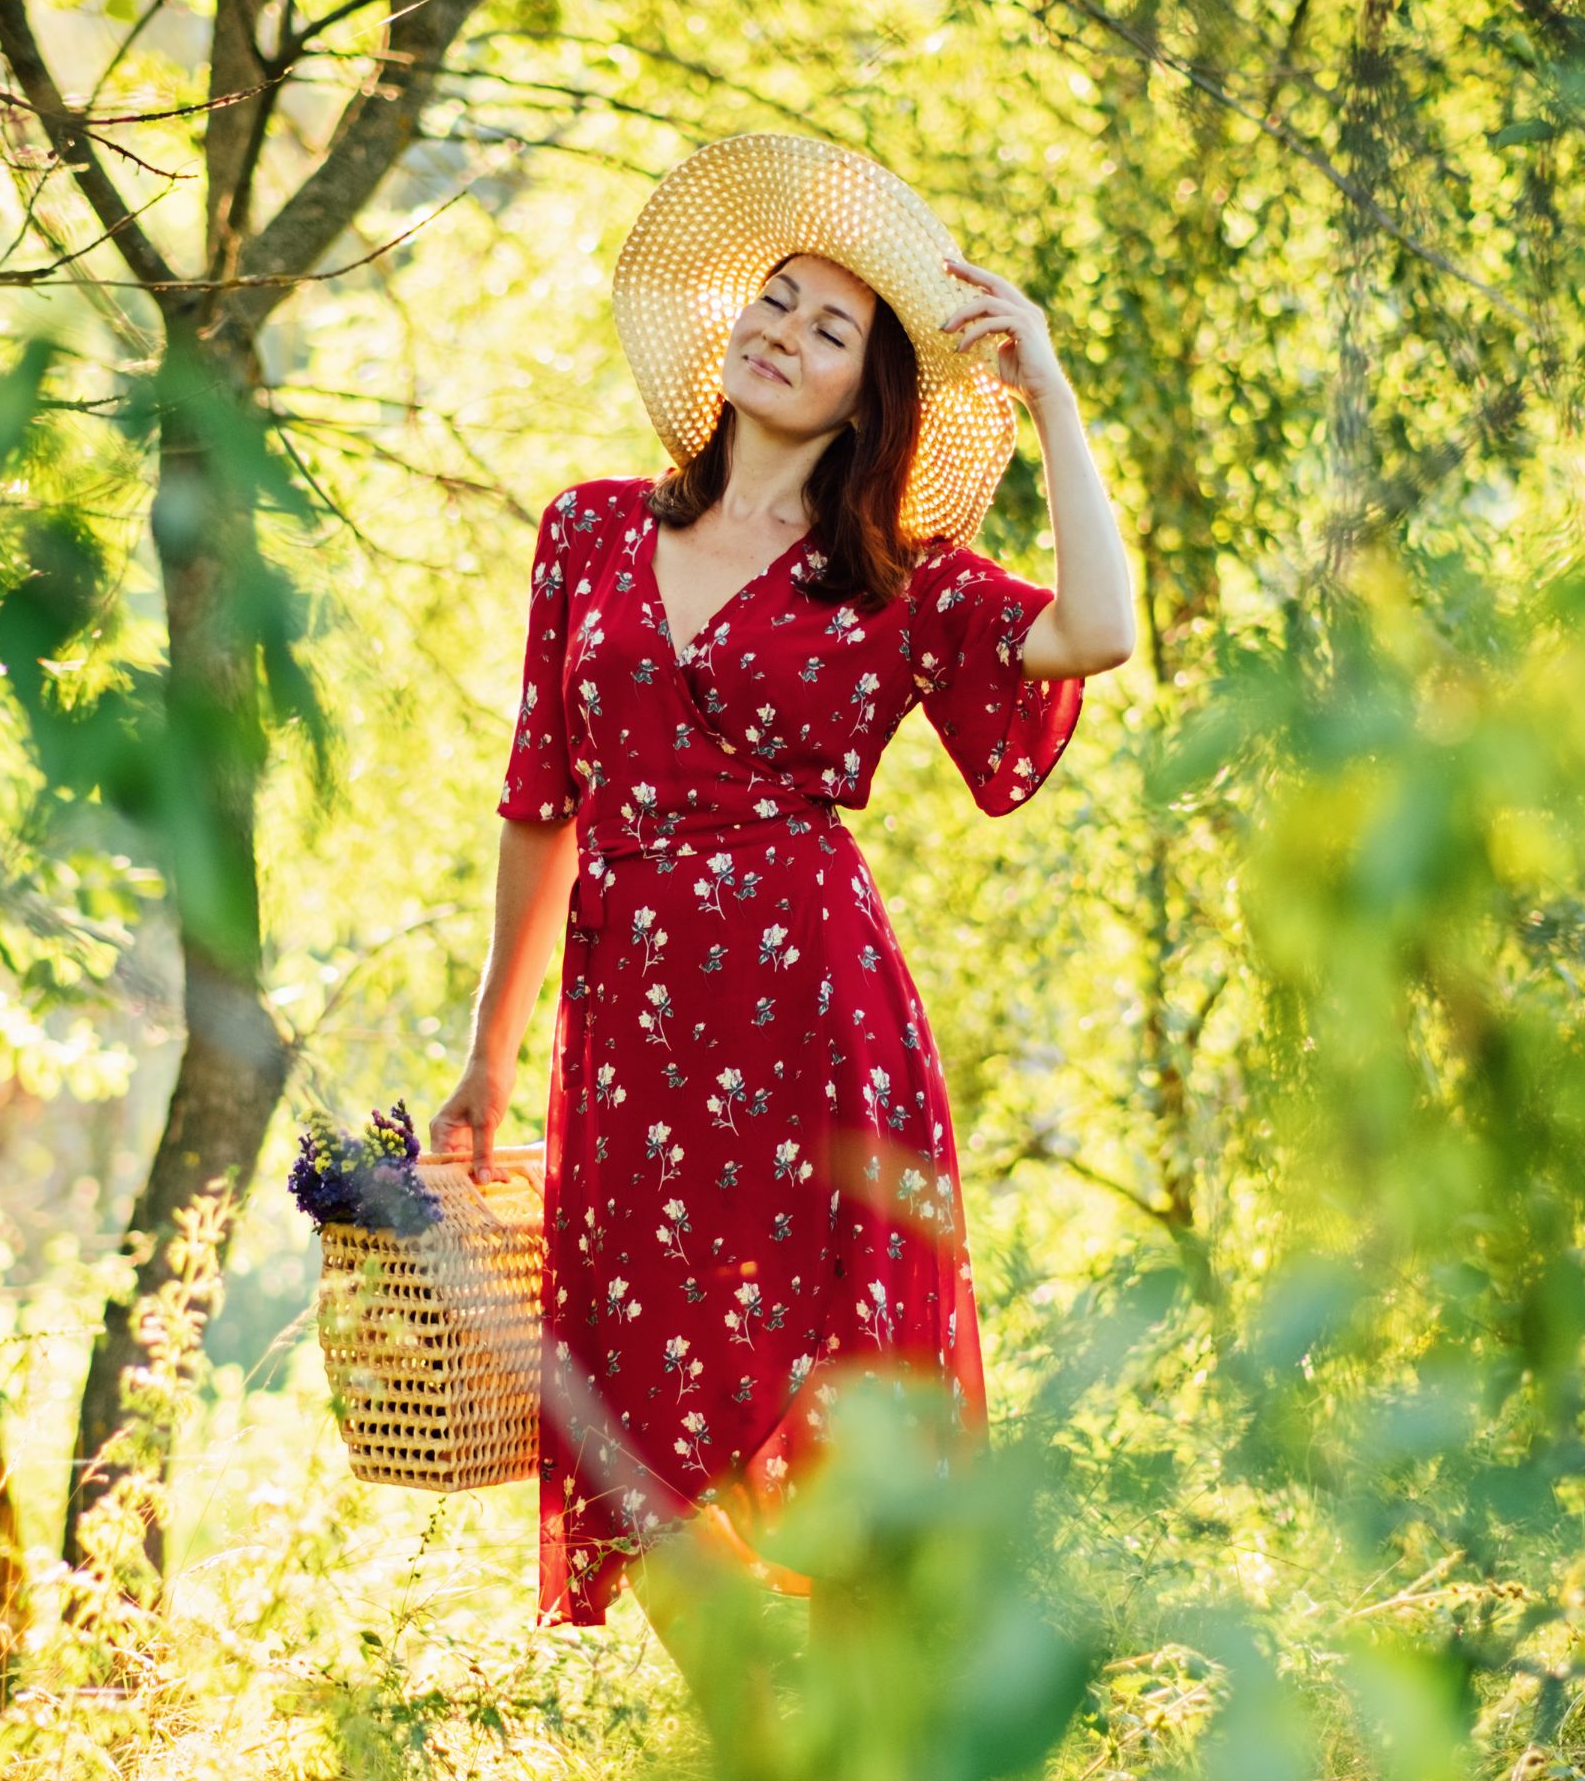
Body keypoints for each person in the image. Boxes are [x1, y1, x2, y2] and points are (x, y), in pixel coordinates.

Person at [429, 133, 1135, 1657]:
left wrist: (1052, 391)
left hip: (814, 1023)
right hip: (632, 1033)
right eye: (776, 298)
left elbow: (1095, 629)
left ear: (866, 396)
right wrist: (492, 1051)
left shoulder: (898, 581)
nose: (786, 329)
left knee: (831, 1408)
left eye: (831, 326)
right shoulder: (589, 532)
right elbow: (541, 800)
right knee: (632, 1406)